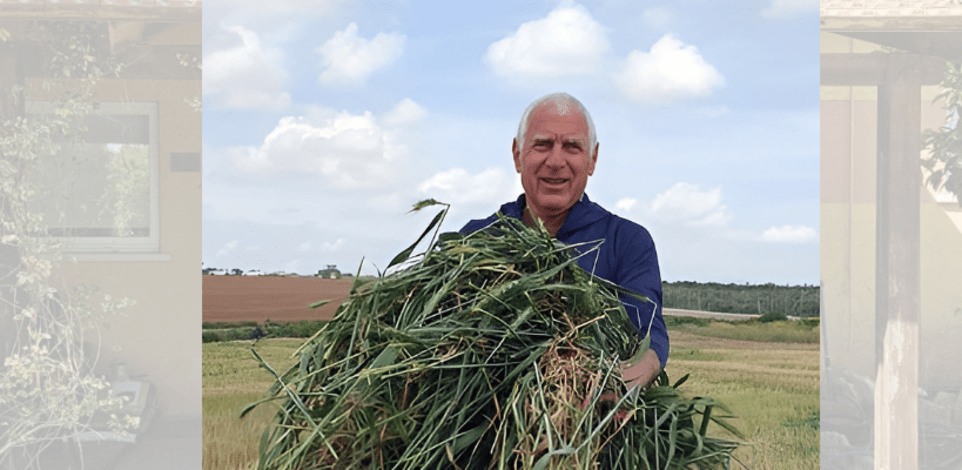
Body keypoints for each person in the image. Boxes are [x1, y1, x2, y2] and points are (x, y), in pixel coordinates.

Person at [460, 93, 667, 389]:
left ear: (592, 159)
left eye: (572, 147)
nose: (556, 161)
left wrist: (641, 366)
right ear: (518, 155)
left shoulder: (626, 242)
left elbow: (646, 328)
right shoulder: (476, 240)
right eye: (542, 144)